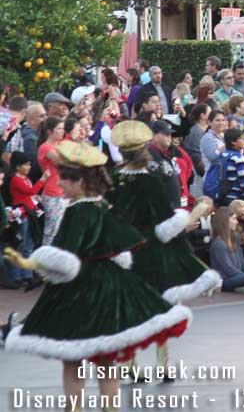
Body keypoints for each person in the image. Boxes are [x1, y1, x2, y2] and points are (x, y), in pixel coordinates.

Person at [3, 141, 192, 401]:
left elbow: (65, 258)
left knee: (73, 358)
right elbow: (123, 242)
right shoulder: (103, 206)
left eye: (65, 181)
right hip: (109, 285)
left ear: (80, 183)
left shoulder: (77, 211)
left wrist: (32, 262)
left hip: (80, 289)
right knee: (105, 359)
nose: (60, 185)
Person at [110, 121, 221, 309]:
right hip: (148, 236)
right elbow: (160, 213)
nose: (170, 138)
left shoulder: (116, 175)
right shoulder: (148, 178)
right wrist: (188, 217)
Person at [209, 208, 244, 294]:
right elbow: (229, 269)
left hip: (238, 276)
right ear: (225, 222)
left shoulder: (235, 238)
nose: (236, 222)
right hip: (226, 279)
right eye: (233, 219)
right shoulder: (219, 243)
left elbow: (242, 261)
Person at [36, 116, 66, 245]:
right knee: (52, 231)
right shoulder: (45, 147)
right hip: (53, 193)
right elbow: (63, 162)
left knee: (62, 229)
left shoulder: (61, 144)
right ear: (50, 131)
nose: (62, 132)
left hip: (64, 192)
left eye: (63, 129)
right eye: (59, 129)